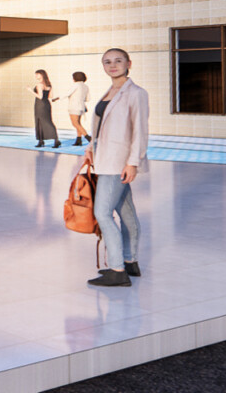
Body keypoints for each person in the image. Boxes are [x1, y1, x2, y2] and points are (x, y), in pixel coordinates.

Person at [80, 48, 149, 287]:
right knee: (126, 212)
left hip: (117, 161)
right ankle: (130, 262)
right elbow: (100, 127)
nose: (113, 65)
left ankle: (117, 269)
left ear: (129, 63)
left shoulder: (136, 93)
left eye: (118, 60)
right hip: (104, 158)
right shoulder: (109, 92)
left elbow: (140, 130)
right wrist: (90, 148)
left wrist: (133, 162)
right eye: (107, 62)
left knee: (102, 213)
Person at [29, 70, 60, 149]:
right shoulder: (49, 84)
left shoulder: (39, 84)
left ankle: (41, 141)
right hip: (47, 104)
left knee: (40, 122)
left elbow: (40, 96)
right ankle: (54, 140)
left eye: (37, 74)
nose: (36, 76)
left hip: (40, 105)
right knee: (48, 121)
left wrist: (30, 91)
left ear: (42, 75)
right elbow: (50, 96)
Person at [63, 71, 91, 146]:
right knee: (78, 123)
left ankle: (88, 138)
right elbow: (88, 99)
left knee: (75, 123)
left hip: (74, 107)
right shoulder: (85, 86)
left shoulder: (76, 85)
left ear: (75, 78)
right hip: (81, 107)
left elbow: (67, 93)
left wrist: (58, 98)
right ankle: (78, 140)